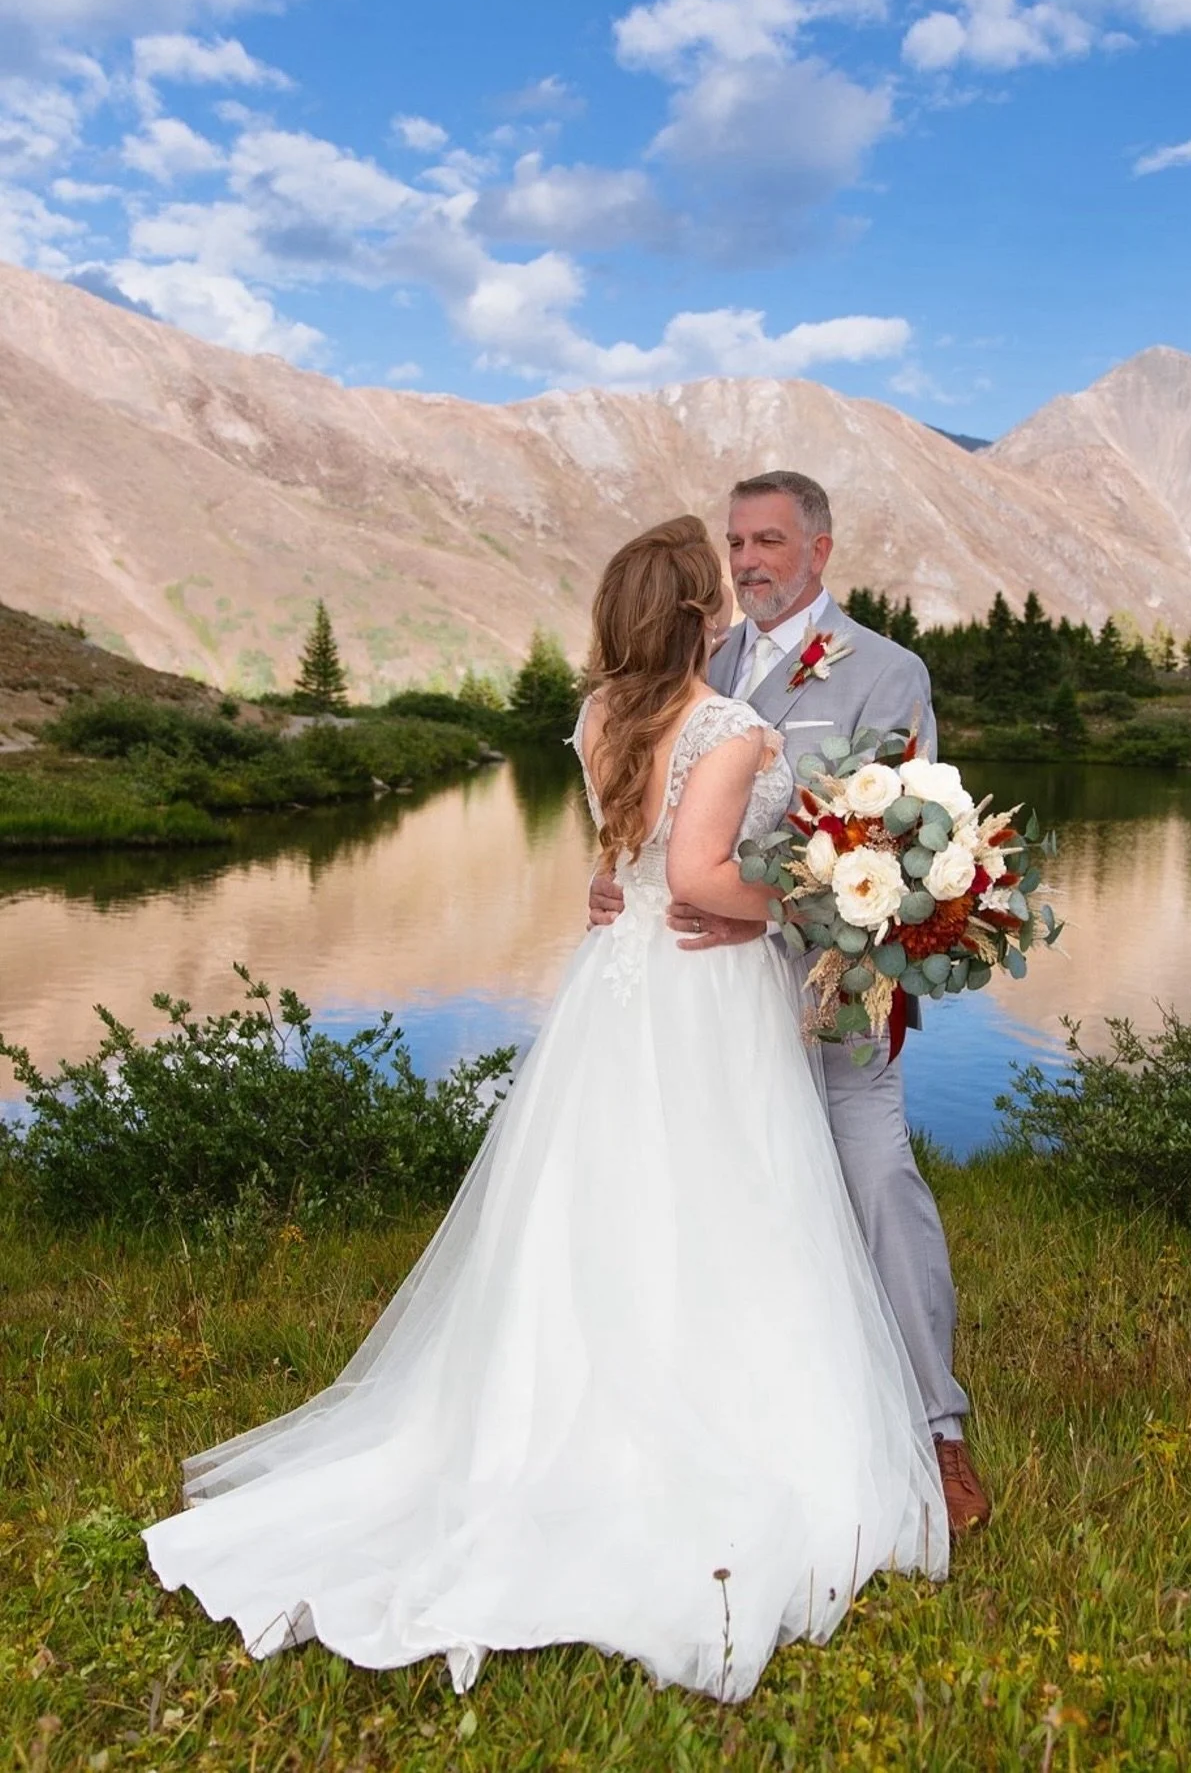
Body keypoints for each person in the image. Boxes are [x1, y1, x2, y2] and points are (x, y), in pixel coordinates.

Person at [142, 515, 947, 1705]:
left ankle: (570, 1400)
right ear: (695, 615)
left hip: (612, 997)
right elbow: (695, 879)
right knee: (724, 1198)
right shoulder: (728, 727)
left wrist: (635, 875)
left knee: (602, 1200)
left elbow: (626, 851)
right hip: (700, 991)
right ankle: (702, 1431)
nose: (732, 590)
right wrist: (807, 893)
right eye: (713, 583)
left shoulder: (597, 715)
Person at [589, 472, 990, 1537]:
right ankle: (727, 1419)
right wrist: (617, 871)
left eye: (770, 540)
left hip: (831, 992)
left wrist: (762, 916)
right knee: (718, 1200)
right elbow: (657, 803)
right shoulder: (702, 661)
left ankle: (938, 1430)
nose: (749, 560)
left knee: (874, 1177)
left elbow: (905, 856)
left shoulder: (888, 673)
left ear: (821, 550)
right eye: (735, 542)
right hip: (709, 1004)